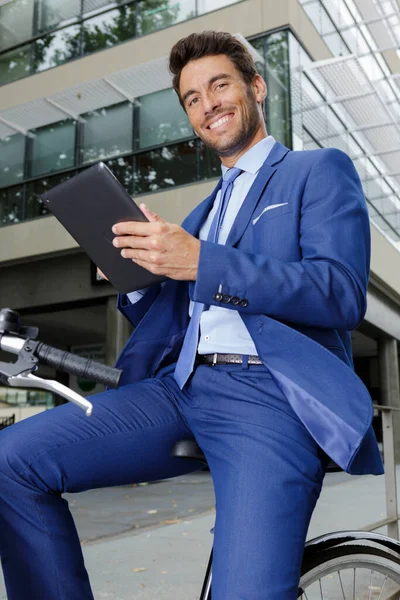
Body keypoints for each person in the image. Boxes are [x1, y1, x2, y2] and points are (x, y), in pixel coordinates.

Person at [0, 31, 383, 600]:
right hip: (178, 388)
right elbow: (173, 320)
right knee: (11, 463)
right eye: (193, 98)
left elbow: (340, 292)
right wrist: (134, 274)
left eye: (220, 84)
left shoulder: (317, 171)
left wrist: (202, 260)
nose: (208, 104)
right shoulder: (201, 213)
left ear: (254, 87)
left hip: (268, 398)